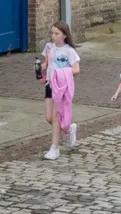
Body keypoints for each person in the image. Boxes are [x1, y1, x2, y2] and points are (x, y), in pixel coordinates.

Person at [38, 21, 81, 161]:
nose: (53, 36)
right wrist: (41, 67)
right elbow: (47, 63)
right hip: (49, 84)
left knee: (56, 117)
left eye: (56, 33)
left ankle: (54, 148)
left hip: (62, 86)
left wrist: (61, 72)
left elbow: (76, 69)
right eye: (52, 33)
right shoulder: (49, 48)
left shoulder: (69, 51)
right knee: (49, 117)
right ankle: (69, 130)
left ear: (64, 35)